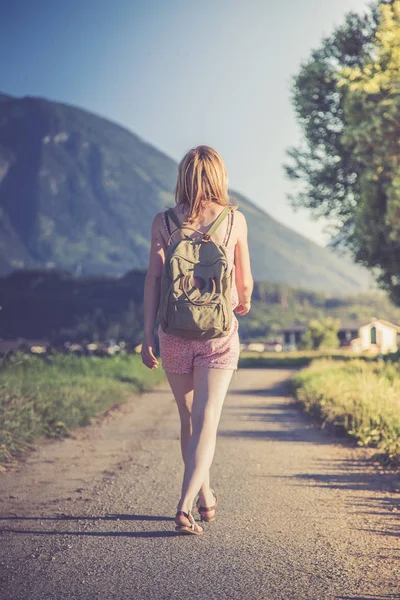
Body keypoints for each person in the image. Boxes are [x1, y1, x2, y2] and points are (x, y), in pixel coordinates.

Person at [141, 145, 253, 535]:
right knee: (207, 419)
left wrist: (147, 335)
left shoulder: (164, 221)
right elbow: (245, 282)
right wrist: (244, 300)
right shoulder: (234, 220)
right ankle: (186, 504)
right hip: (218, 334)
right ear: (219, 176)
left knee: (189, 418)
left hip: (172, 331)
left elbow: (153, 280)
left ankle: (205, 496)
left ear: (183, 176)